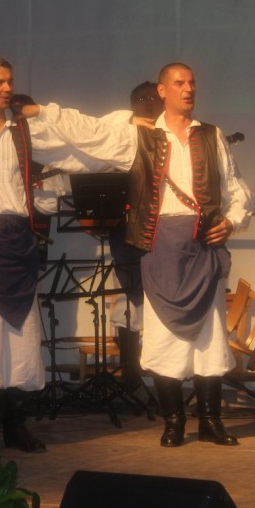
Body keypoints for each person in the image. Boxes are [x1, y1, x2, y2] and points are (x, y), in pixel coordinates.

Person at [0, 54, 139, 453]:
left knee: (22, 339)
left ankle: (15, 425)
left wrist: (125, 142)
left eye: (9, 81)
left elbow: (82, 149)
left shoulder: (24, 132)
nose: (7, 88)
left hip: (17, 243)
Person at [125, 62, 251, 447]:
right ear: (162, 91)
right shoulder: (141, 134)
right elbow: (92, 140)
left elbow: (236, 189)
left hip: (203, 247)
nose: (188, 88)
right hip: (161, 247)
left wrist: (230, 222)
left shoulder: (211, 135)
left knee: (210, 338)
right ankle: (174, 422)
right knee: (163, 338)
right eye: (179, 83)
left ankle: (210, 421)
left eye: (192, 82)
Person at [108, 81, 164, 391]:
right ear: (132, 105)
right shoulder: (121, 137)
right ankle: (130, 373)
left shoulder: (173, 137)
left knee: (160, 302)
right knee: (129, 302)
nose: (149, 103)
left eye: (154, 98)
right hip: (127, 233)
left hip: (163, 233)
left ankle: (163, 375)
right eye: (142, 98)